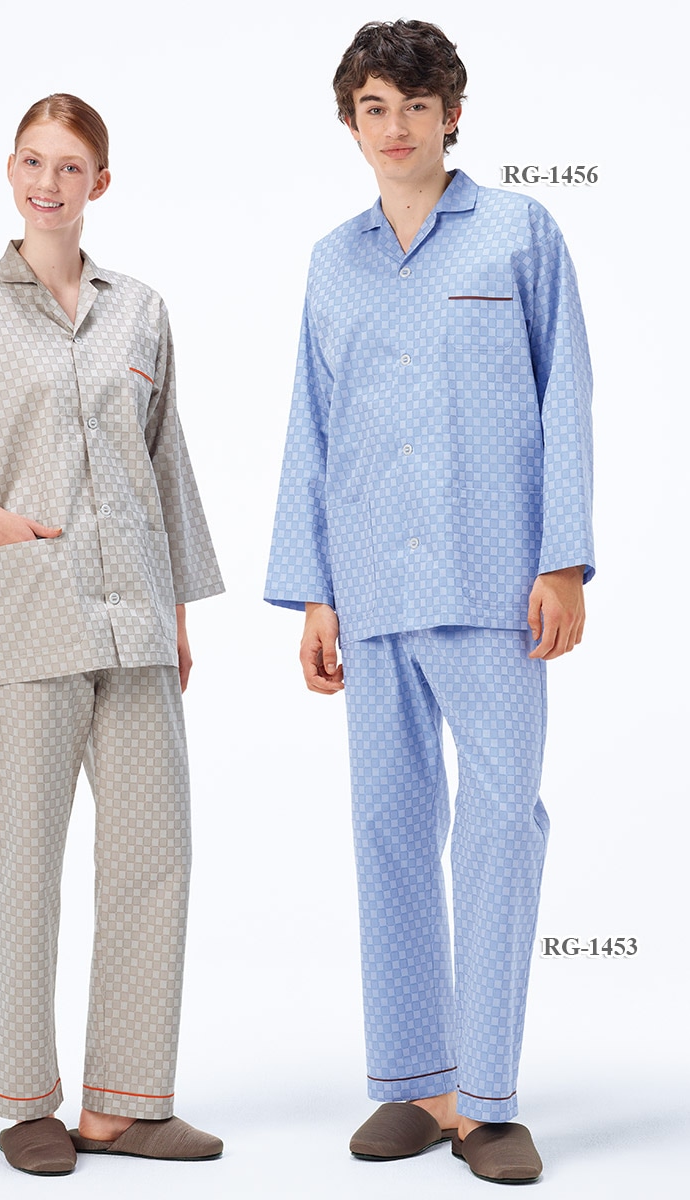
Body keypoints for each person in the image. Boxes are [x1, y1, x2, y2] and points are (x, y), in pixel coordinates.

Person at [265, 21, 593, 1185]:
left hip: (497, 581)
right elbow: (312, 430)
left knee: (500, 826)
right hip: (371, 586)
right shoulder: (332, 261)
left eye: (414, 104)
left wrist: (563, 561)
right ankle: (416, 1083)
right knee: (388, 827)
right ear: (350, 121)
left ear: (451, 112)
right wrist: (313, 593)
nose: (394, 126)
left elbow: (566, 398)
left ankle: (488, 1101)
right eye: (373, 107)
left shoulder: (521, 232)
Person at [0, 93, 224, 1177]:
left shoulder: (141, 310)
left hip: (136, 622)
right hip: (23, 617)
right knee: (25, 864)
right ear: (10, 170)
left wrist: (176, 608)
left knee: (156, 856)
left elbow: (165, 462)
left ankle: (126, 1104)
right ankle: (27, 1099)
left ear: (99, 184)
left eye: (70, 167)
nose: (48, 183)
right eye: (33, 162)